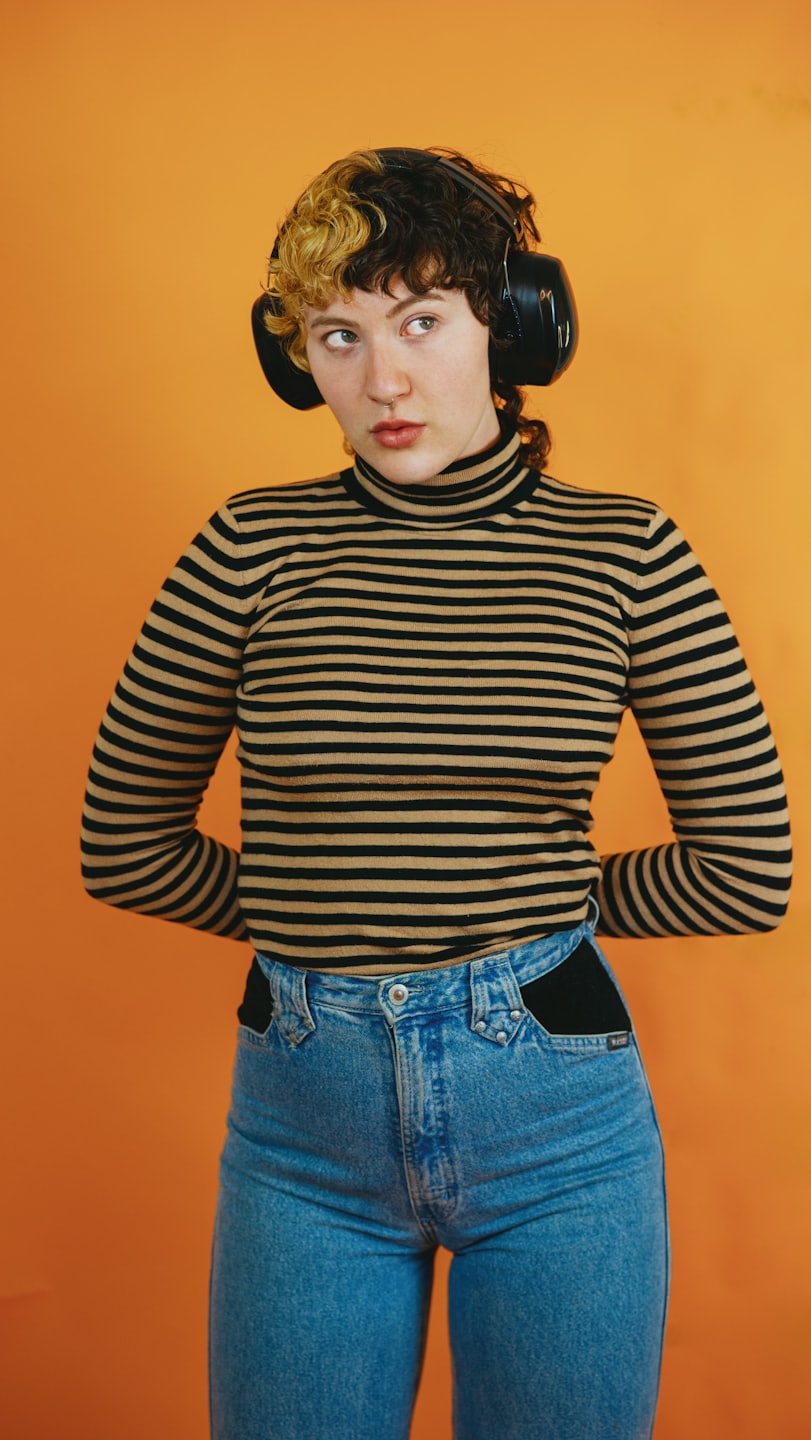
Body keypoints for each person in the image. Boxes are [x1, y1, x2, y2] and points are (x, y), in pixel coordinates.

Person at [81, 147, 792, 1440]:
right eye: (338, 337)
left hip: (558, 1126)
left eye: (420, 322)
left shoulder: (628, 554)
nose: (383, 381)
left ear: (509, 327)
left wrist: (518, 905)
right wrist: (324, 901)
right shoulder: (248, 548)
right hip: (303, 1135)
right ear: (299, 358)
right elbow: (122, 846)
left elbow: (743, 873)